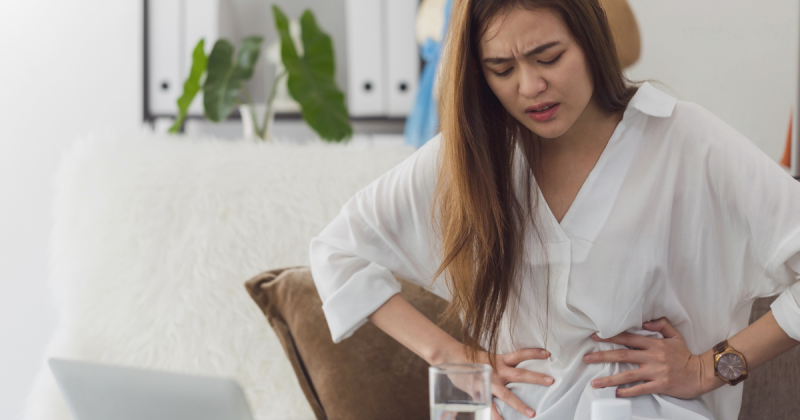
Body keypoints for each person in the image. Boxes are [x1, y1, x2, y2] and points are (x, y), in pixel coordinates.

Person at [309, 0, 800, 419]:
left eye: (549, 57)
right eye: (501, 69)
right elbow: (338, 252)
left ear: (590, 41)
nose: (529, 87)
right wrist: (451, 355)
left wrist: (711, 367)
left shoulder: (681, 139)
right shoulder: (473, 155)